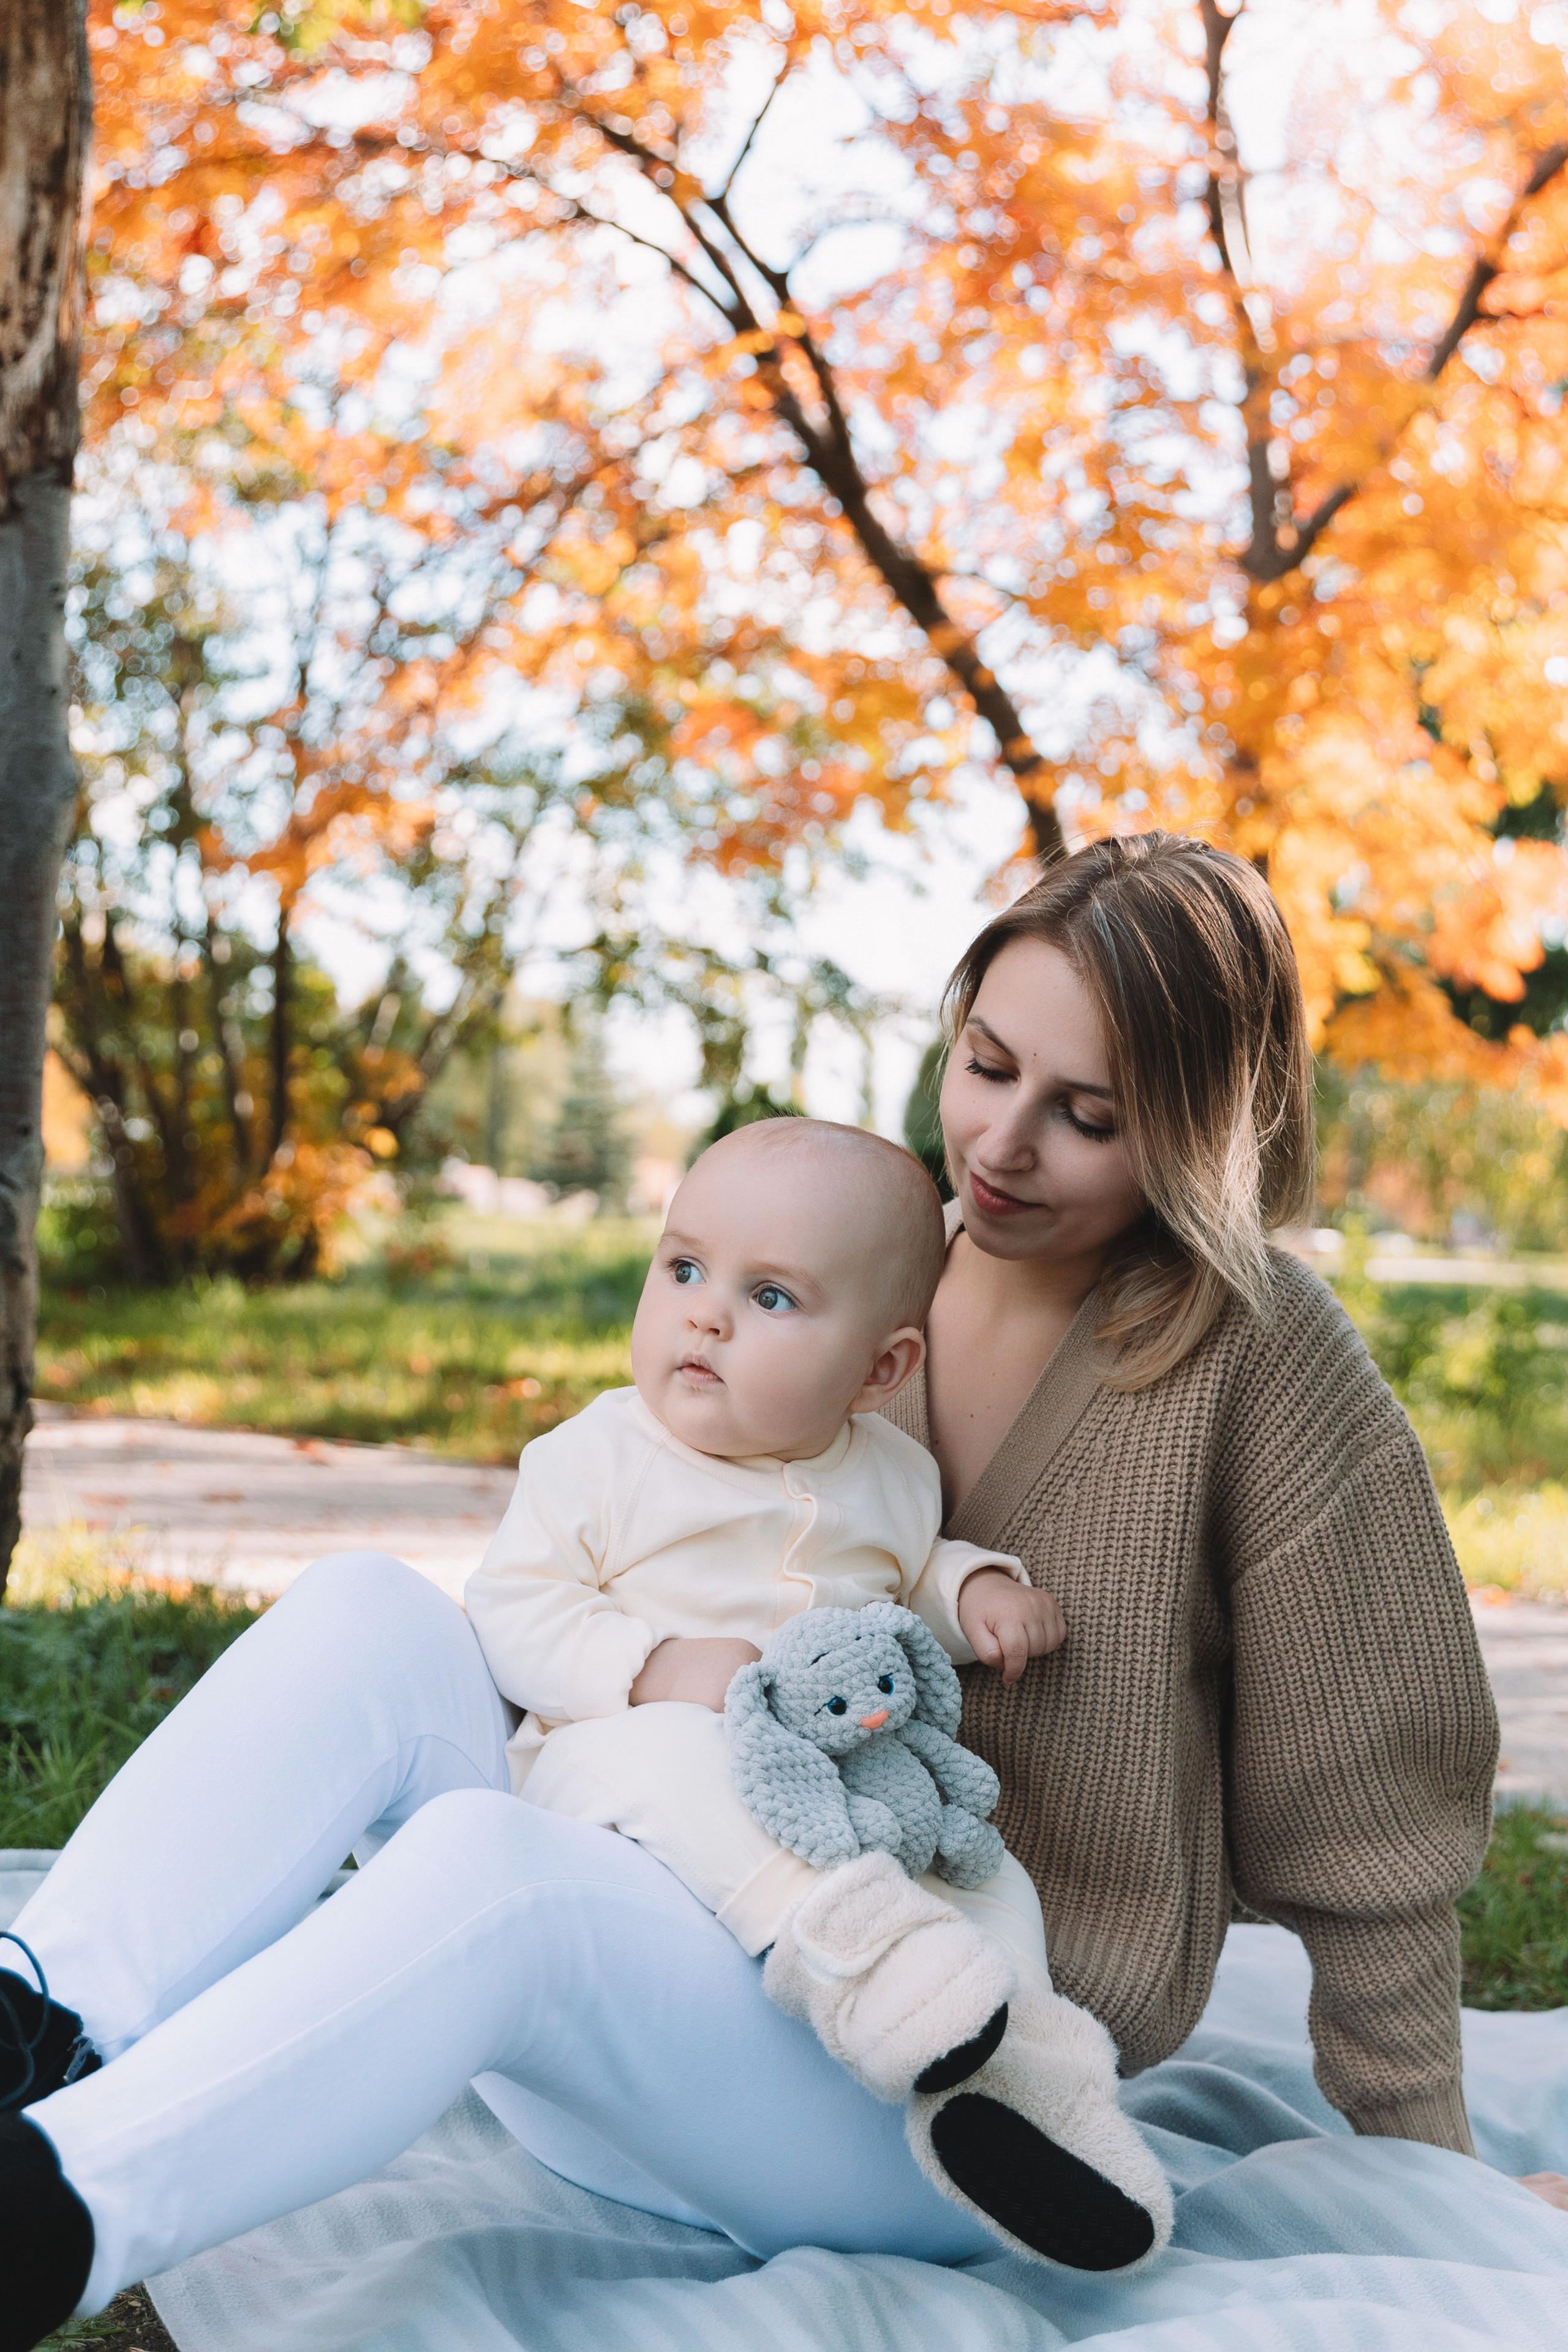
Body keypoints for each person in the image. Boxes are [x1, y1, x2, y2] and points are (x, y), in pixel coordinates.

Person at [0, 833, 1542, 2352]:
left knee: (491, 1869)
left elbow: (1370, 1819)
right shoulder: (844, 1269)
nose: (999, 1147)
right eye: (985, 1065)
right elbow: (594, 1562)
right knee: (369, 1610)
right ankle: (41, 2022)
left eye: (1085, 1116)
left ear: (1202, 1132)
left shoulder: (1256, 1364)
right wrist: (656, 1662)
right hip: (626, 2008)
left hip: (916, 2085)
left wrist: (1433, 2173)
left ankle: (47, 2218)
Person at [466, 1115, 1171, 2263]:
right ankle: (881, 1971)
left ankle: (1041, 2097)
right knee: (674, 1757)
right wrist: (651, 1668)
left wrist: (976, 1584)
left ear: (882, 1371)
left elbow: (904, 1573)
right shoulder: (597, 1458)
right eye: (684, 1268)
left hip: (848, 1803)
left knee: (993, 1883)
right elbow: (514, 1609)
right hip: (624, 1789)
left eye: (772, 1297)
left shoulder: (892, 1474)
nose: (705, 1313)